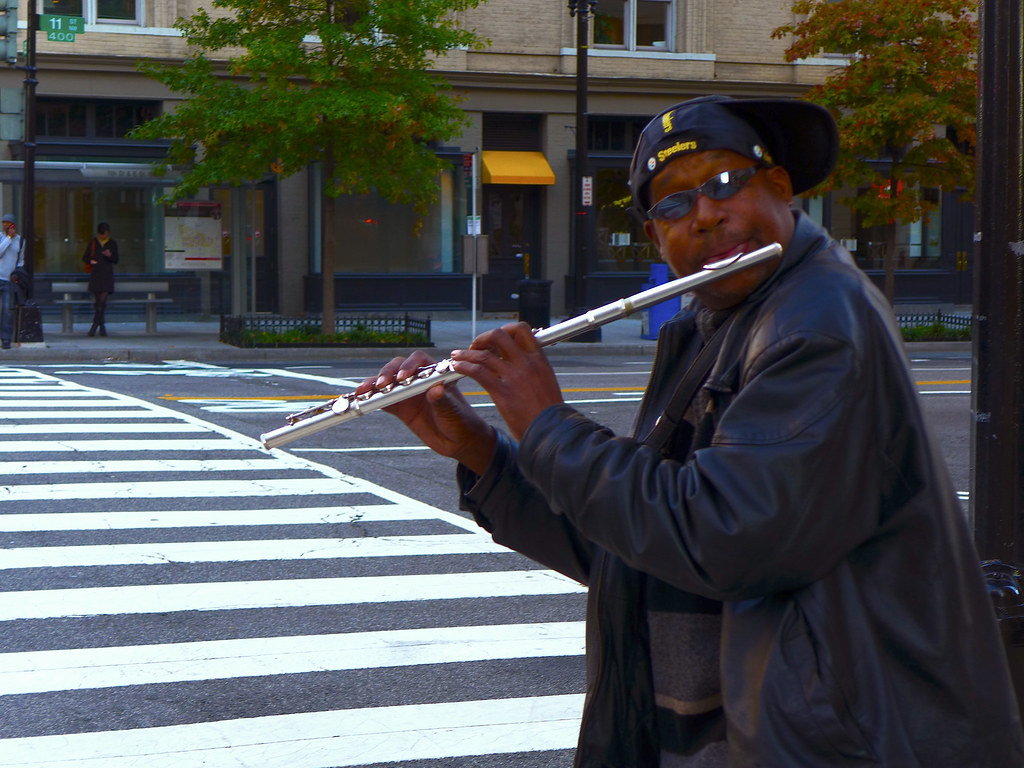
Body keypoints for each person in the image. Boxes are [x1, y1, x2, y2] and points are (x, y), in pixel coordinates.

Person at [362, 95, 1024, 766]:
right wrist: (482, 450)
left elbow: (722, 536)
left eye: (726, 183)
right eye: (673, 205)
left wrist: (547, 423)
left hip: (831, 745)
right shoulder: (714, 326)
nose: (705, 214)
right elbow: (636, 549)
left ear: (782, 187)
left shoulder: (821, 324)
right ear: (655, 237)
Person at [82, 222, 118, 337]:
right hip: (96, 274)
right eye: (102, 235)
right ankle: (102, 327)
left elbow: (116, 259)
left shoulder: (112, 243)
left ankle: (94, 326)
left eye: (106, 234)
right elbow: (85, 257)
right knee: (98, 302)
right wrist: (91, 261)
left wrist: (109, 255)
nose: (104, 237)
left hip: (107, 274)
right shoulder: (93, 242)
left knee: (101, 302)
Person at [0, 213, 24, 350]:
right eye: (4, 223)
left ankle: (6, 339)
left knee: (7, 310)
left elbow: (21, 260)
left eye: (8, 223)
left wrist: (17, 274)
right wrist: (8, 238)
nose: (6, 225)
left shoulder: (20, 241)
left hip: (9, 279)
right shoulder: (1, 237)